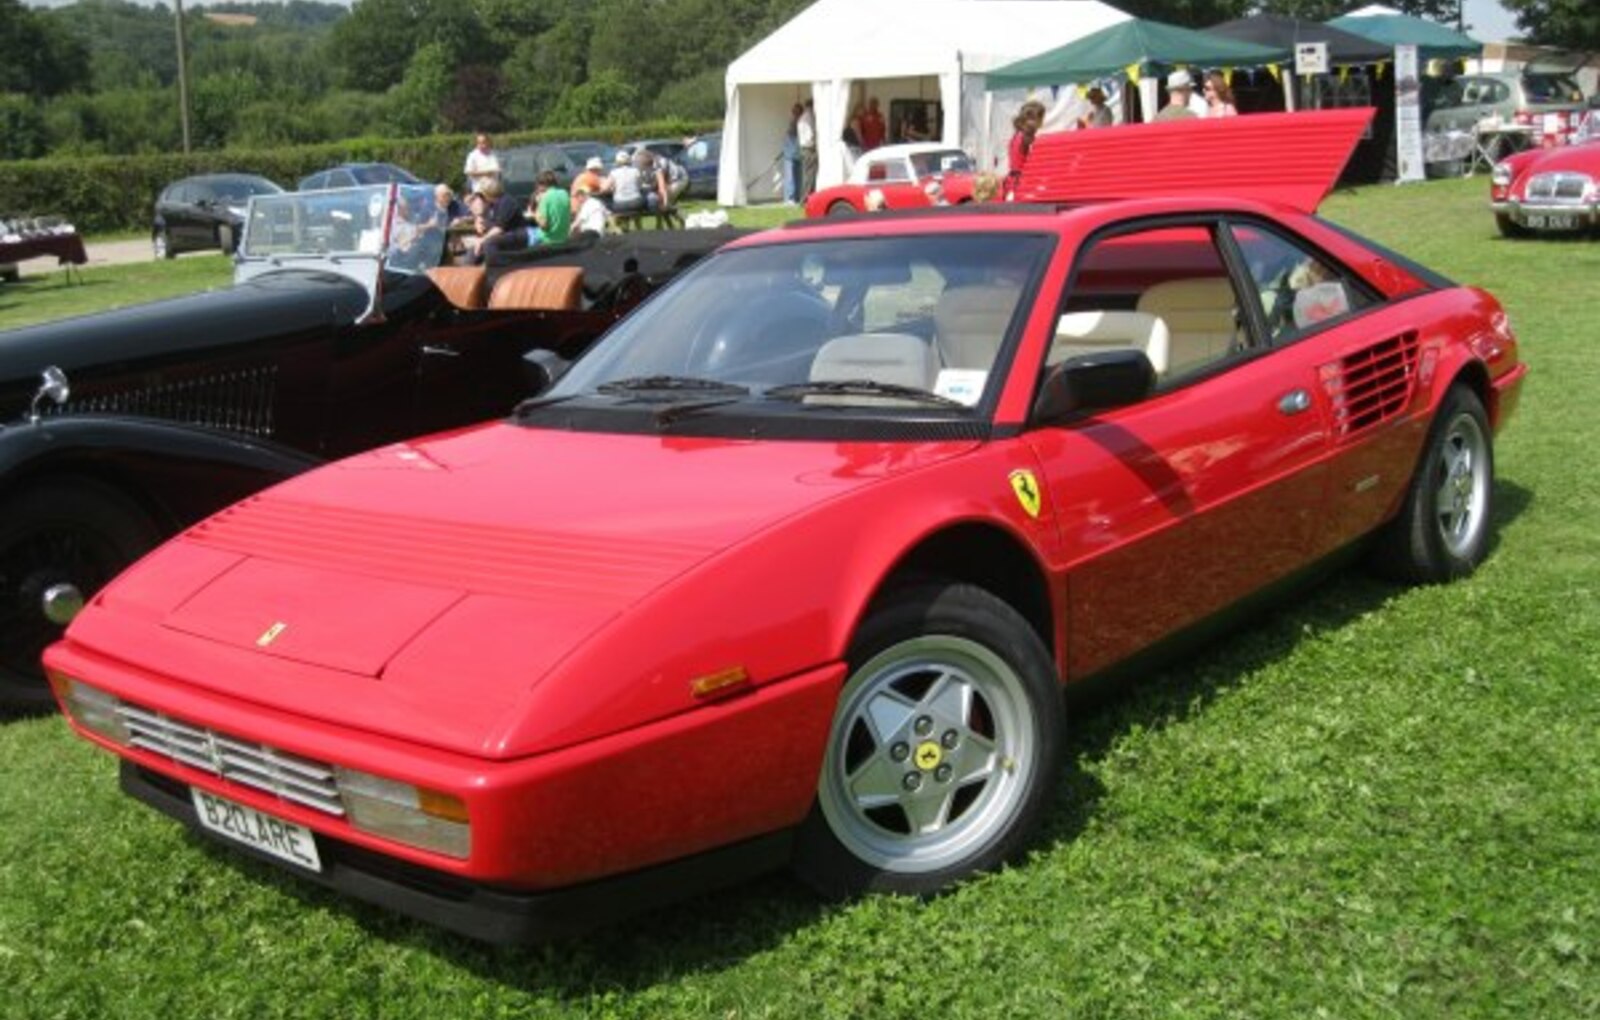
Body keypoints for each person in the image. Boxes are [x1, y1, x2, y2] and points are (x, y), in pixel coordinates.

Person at [1005, 100, 1044, 199]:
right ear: (1030, 120)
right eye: (1040, 119)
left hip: (1013, 181)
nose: (1041, 123)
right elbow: (1033, 162)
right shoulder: (1027, 138)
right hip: (1022, 182)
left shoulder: (1017, 134)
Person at [608, 150, 647, 225]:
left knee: (608, 204)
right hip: (636, 204)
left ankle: (621, 225)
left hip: (619, 205)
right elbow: (640, 186)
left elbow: (605, 188)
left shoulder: (613, 173)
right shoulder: (636, 171)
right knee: (644, 198)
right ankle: (637, 225)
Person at [782, 103, 803, 204]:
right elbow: (791, 136)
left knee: (795, 177)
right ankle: (790, 198)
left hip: (795, 153)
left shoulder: (797, 122)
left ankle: (795, 196)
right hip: (791, 154)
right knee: (791, 177)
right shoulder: (794, 122)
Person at [798, 99, 818, 199]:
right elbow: (811, 135)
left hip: (803, 148)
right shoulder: (809, 117)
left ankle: (805, 196)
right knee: (810, 174)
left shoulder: (801, 117)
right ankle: (806, 197)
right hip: (809, 148)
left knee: (806, 174)